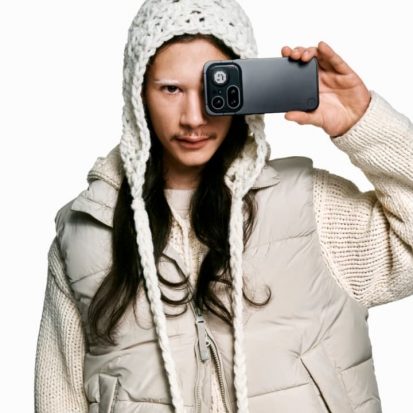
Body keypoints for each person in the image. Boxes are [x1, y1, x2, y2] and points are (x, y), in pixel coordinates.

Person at [34, 0, 413, 412]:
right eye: (171, 89)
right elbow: (58, 398)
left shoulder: (310, 206)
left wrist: (361, 122)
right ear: (138, 93)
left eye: (212, 88)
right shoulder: (88, 231)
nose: (193, 117)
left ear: (243, 87)